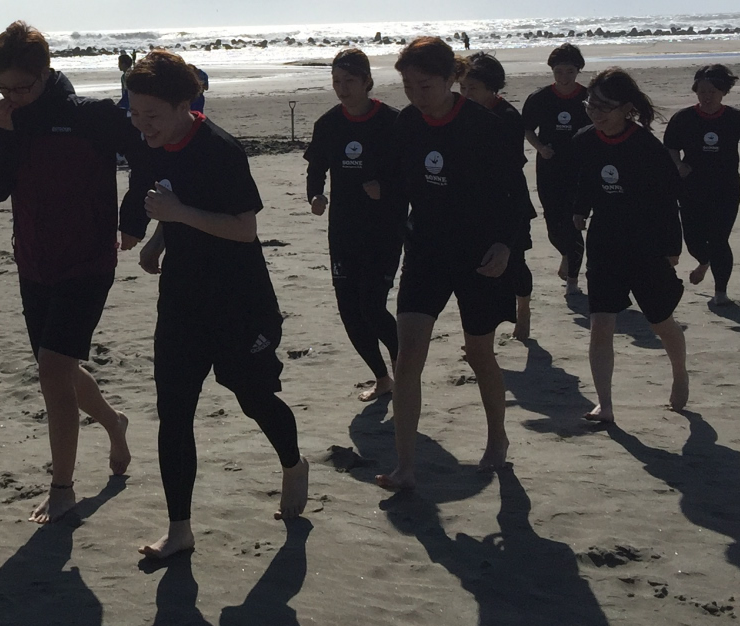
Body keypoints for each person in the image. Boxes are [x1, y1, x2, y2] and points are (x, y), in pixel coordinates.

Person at [121, 49, 307, 559]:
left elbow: (244, 229)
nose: (142, 125)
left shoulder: (221, 150)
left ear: (185, 105)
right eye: (134, 114)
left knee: (253, 397)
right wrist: (159, 238)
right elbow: (168, 198)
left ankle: (293, 464)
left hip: (237, 299)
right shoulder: (153, 145)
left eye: (152, 115)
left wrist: (178, 214)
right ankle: (179, 529)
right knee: (174, 411)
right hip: (182, 298)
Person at [0, 21, 135, 524]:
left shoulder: (90, 115)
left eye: (23, 87)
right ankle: (114, 423)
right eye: (3, 87)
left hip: (88, 261)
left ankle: (62, 487)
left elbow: (148, 154)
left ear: (46, 73)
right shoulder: (1, 118)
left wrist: (134, 220)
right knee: (57, 369)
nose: (13, 97)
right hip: (34, 261)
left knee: (51, 369)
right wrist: (2, 135)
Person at [378, 36, 527, 489]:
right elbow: (396, 188)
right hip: (425, 251)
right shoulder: (406, 123)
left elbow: (515, 196)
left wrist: (505, 245)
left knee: (479, 352)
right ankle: (405, 466)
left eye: (424, 85)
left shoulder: (484, 126)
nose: (415, 95)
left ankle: (497, 437)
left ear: (450, 79)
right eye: (407, 86)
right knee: (408, 357)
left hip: (478, 255)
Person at [572, 68, 688, 422]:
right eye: (591, 105)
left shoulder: (647, 148)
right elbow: (584, 181)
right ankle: (605, 404)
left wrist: (672, 249)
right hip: (604, 242)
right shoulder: (584, 141)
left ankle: (680, 372)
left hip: (646, 244)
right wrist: (579, 210)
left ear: (626, 109)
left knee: (661, 321)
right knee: (600, 324)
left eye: (604, 107)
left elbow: (668, 201)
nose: (596, 113)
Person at [302, 47, 402, 402]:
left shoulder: (392, 122)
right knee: (349, 310)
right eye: (336, 81)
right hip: (344, 229)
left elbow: (410, 174)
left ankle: (404, 368)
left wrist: (386, 188)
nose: (342, 89)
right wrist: (315, 195)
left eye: (349, 81)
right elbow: (316, 168)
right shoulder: (328, 124)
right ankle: (383, 378)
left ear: (367, 82)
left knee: (371, 306)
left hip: (384, 229)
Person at [663, 64, 740, 307]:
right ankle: (704, 261)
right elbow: (670, 146)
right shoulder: (684, 118)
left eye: (712, 92)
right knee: (694, 241)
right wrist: (678, 164)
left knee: (719, 240)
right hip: (691, 188)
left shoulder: (736, 118)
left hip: (726, 188)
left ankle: (721, 293)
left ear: (723, 92)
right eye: (702, 92)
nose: (707, 97)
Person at [457, 52, 538, 340]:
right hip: (472, 205)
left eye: (473, 88)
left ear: (492, 88)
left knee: (515, 263)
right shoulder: (460, 112)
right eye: (462, 87)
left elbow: (510, 170)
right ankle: (481, 335)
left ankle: (524, 308)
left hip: (509, 201)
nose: (466, 94)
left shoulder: (507, 117)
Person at [519, 43, 591, 294]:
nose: (564, 77)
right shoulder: (540, 98)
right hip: (549, 167)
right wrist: (540, 148)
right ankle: (566, 254)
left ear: (578, 70)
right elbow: (527, 128)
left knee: (573, 223)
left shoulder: (588, 98)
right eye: (558, 71)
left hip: (579, 169)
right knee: (553, 226)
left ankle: (572, 281)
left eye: (570, 71)